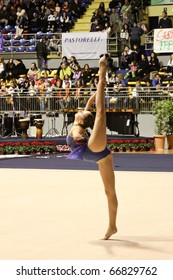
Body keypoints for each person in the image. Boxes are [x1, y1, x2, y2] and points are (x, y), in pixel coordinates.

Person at [66, 55, 118, 240]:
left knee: (101, 113)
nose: (80, 110)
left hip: (94, 149)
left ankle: (112, 226)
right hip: (98, 155)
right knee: (108, 191)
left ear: (81, 119)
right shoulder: (78, 121)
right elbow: (90, 102)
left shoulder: (80, 129)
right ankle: (113, 226)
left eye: (81, 112)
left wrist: (101, 78)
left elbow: (96, 108)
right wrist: (99, 90)